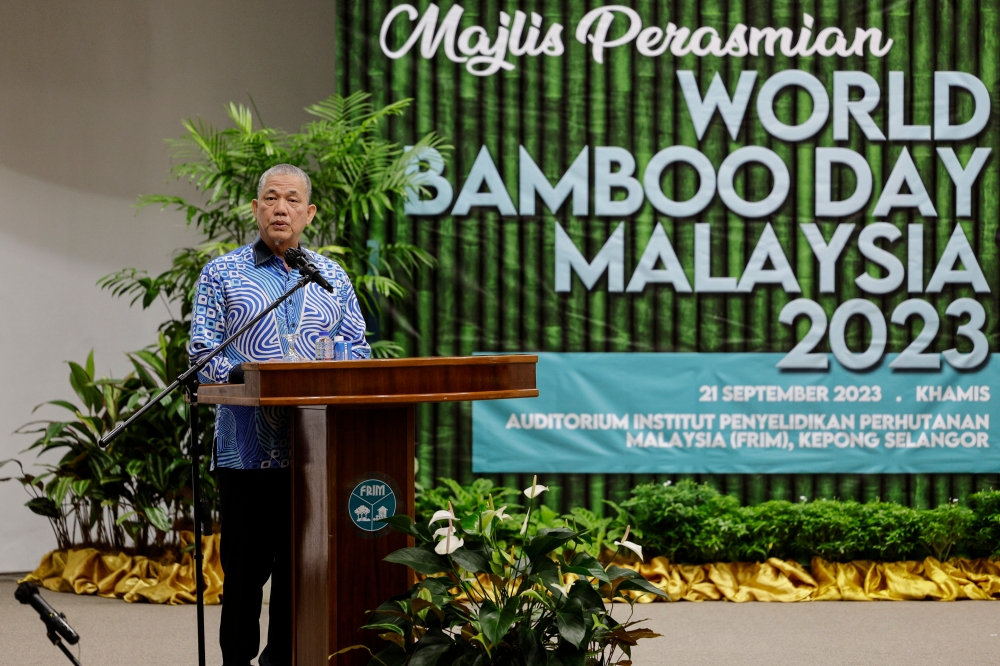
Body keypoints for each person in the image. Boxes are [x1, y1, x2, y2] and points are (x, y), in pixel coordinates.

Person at [189, 164, 370, 666]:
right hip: (244, 451)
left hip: (313, 454)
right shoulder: (222, 274)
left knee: (299, 575)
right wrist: (252, 376)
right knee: (244, 576)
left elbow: (359, 350)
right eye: (271, 198)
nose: (281, 208)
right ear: (255, 209)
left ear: (309, 214)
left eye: (292, 200)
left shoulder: (332, 278)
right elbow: (202, 354)